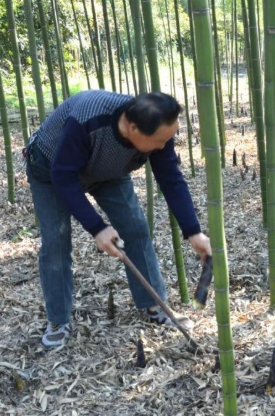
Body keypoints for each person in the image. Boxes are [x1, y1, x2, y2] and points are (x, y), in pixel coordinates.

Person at [25, 90, 212, 347]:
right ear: (133, 128)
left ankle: (154, 305)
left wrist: (193, 231)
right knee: (56, 240)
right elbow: (64, 177)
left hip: (108, 170)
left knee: (135, 228)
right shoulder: (87, 120)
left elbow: (170, 177)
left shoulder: (156, 127)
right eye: (159, 141)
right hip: (50, 168)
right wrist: (97, 227)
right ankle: (58, 319)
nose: (163, 146)